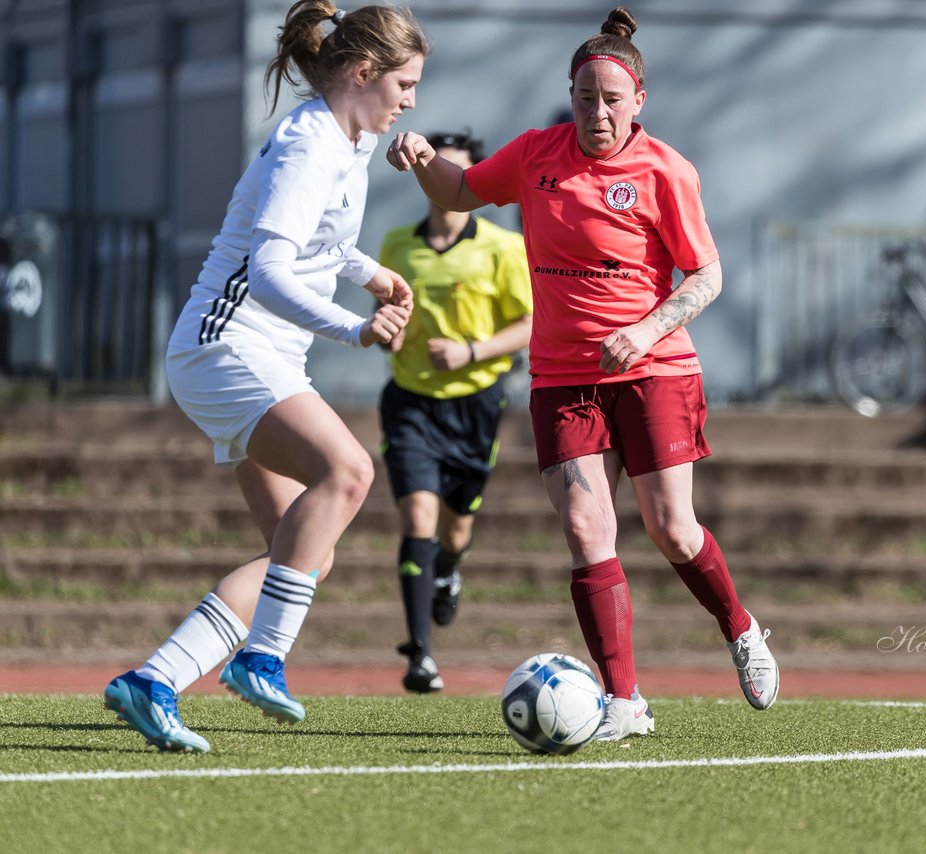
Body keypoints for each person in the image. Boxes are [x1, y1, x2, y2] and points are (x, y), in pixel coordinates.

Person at [386, 6, 779, 740]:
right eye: (584, 98)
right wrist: (419, 159)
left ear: (639, 102)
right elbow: (460, 191)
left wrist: (646, 327)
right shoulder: (538, 154)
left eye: (611, 99)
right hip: (562, 377)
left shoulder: (665, 170)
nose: (597, 113)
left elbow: (707, 274)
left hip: (656, 369)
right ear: (570, 97)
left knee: (672, 529)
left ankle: (740, 627)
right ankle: (625, 701)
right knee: (582, 524)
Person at [102, 0, 427, 753]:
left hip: (257, 354)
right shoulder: (310, 145)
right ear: (362, 71)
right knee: (349, 472)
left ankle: (153, 680)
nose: (411, 101)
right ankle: (263, 657)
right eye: (404, 84)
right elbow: (271, 272)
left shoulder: (348, 142)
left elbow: (318, 241)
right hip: (225, 348)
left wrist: (372, 274)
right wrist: (353, 327)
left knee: (305, 544)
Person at [376, 130, 533, 694]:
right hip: (411, 401)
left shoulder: (500, 246)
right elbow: (387, 311)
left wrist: (471, 351)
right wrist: (388, 331)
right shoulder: (397, 244)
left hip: (476, 404)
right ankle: (420, 652)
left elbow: (529, 323)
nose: (445, 181)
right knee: (417, 517)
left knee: (456, 526)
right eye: (434, 169)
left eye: (457, 171)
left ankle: (448, 569)